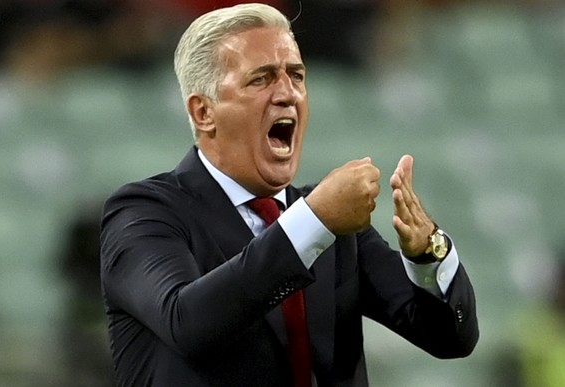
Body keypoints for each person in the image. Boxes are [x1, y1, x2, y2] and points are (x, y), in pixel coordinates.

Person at [100, 3, 479, 386]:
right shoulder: (144, 213)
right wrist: (313, 222)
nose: (288, 93)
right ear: (203, 113)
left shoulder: (334, 226)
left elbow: (450, 338)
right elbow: (187, 323)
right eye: (261, 79)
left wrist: (427, 253)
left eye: (296, 76)